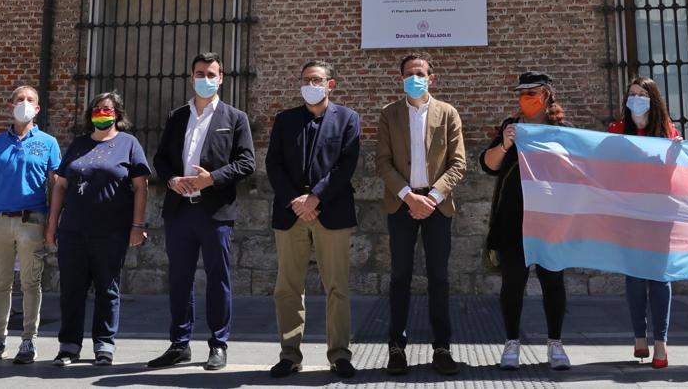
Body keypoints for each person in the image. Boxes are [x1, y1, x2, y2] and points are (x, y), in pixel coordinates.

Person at [148, 52, 255, 372]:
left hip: (215, 212)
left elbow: (247, 162)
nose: (205, 79)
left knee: (217, 279)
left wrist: (213, 179)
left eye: (211, 74)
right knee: (179, 279)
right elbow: (162, 158)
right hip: (180, 210)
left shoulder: (235, 118)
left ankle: (218, 345)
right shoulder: (177, 116)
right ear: (190, 77)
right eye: (199, 73)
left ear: (221, 78)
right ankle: (179, 345)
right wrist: (171, 179)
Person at [374, 52, 467, 376]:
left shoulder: (448, 113)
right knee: (400, 277)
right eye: (409, 74)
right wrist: (409, 196)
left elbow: (459, 163)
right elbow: (382, 162)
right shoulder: (389, 114)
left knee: (438, 278)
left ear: (431, 78)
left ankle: (441, 347)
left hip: (437, 206)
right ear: (401, 79)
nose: (415, 78)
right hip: (402, 204)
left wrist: (433, 196)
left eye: (420, 73)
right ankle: (396, 348)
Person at [265, 61, 360, 379]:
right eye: (306, 79)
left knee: (337, 287)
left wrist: (316, 197)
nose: (310, 84)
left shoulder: (347, 118)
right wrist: (297, 201)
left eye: (317, 80)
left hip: (331, 212)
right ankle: (289, 354)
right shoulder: (285, 120)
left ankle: (340, 354)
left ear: (330, 84)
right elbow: (273, 164)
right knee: (287, 288)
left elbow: (346, 166)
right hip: (291, 213)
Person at [46, 91, 149, 367]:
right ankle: (69, 346)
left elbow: (141, 187)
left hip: (111, 231)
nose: (102, 113)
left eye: (107, 109)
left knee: (107, 288)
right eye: (97, 108)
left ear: (117, 114)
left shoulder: (129, 144)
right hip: (73, 231)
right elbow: (61, 185)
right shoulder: (78, 144)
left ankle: (104, 345)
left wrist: (137, 225)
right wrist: (52, 224)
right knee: (72, 289)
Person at [480, 71, 570, 371]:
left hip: (550, 221)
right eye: (521, 93)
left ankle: (555, 344)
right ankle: (511, 344)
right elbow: (488, 165)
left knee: (553, 282)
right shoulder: (512, 127)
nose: (525, 98)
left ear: (546, 95)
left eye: (531, 93)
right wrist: (505, 144)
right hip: (513, 220)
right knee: (513, 283)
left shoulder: (563, 131)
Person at [0, 86, 61, 365]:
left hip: (32, 219)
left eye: (30, 100)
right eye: (19, 99)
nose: (24, 103)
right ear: (10, 106)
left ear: (38, 108)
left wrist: (52, 224)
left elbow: (57, 185)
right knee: (1, 282)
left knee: (31, 282)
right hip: (0, 220)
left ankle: (28, 340)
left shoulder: (48, 142)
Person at [608, 76, 680, 368]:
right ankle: (639, 337)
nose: (636, 98)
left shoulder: (667, 132)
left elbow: (675, 175)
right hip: (628, 212)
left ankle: (660, 343)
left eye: (642, 94)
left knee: (660, 277)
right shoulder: (615, 130)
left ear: (653, 100)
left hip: (660, 212)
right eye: (632, 94)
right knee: (635, 276)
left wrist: (677, 153)